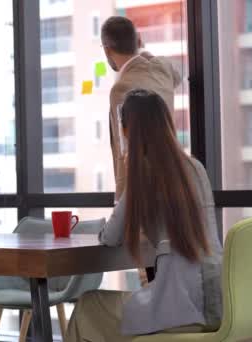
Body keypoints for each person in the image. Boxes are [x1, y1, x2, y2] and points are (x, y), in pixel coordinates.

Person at [67, 90, 223, 341]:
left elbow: (111, 236)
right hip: (220, 303)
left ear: (129, 130)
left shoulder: (145, 171)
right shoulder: (195, 167)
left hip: (183, 307)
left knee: (88, 305)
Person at [101, 16, 182, 201]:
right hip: (173, 180)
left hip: (141, 192)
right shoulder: (163, 68)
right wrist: (144, 54)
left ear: (107, 50)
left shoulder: (120, 90)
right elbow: (178, 76)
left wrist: (120, 201)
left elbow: (124, 148)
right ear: (138, 40)